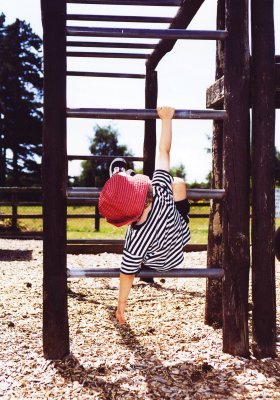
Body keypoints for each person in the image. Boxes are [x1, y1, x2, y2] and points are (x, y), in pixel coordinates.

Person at [99, 107, 191, 324]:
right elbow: (164, 151)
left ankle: (119, 179)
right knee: (177, 182)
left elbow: (127, 273)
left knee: (135, 254)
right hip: (179, 242)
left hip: (157, 262)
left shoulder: (135, 239)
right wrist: (166, 120)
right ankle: (123, 178)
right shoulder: (160, 189)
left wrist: (121, 304)